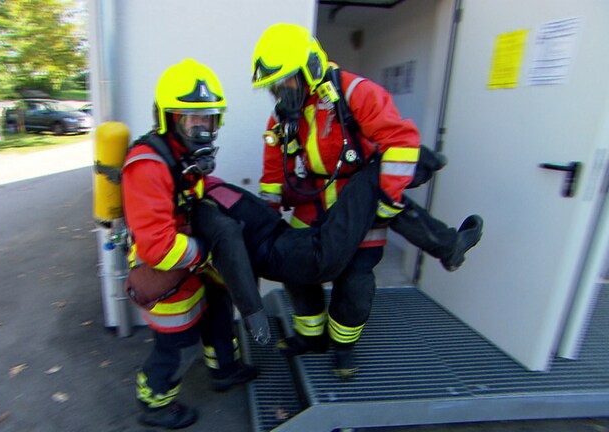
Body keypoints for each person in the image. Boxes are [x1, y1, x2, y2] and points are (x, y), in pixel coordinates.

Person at [249, 23, 483, 378]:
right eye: (274, 86)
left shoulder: (357, 92)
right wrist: (267, 216)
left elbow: (400, 143)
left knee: (355, 280)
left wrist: (387, 200)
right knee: (295, 268)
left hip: (359, 199)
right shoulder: (284, 113)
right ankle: (311, 336)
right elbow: (272, 168)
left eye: (287, 80)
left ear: (311, 66)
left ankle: (344, 348)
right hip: (313, 203)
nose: (281, 91)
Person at [121, 58, 258, 430]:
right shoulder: (149, 164)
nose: (202, 127)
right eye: (190, 117)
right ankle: (154, 404)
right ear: (168, 118)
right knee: (176, 345)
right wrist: (207, 251)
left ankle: (224, 370)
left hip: (192, 257)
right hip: (167, 266)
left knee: (218, 308)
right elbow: (157, 249)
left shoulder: (184, 156)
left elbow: (192, 200)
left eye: (208, 118)